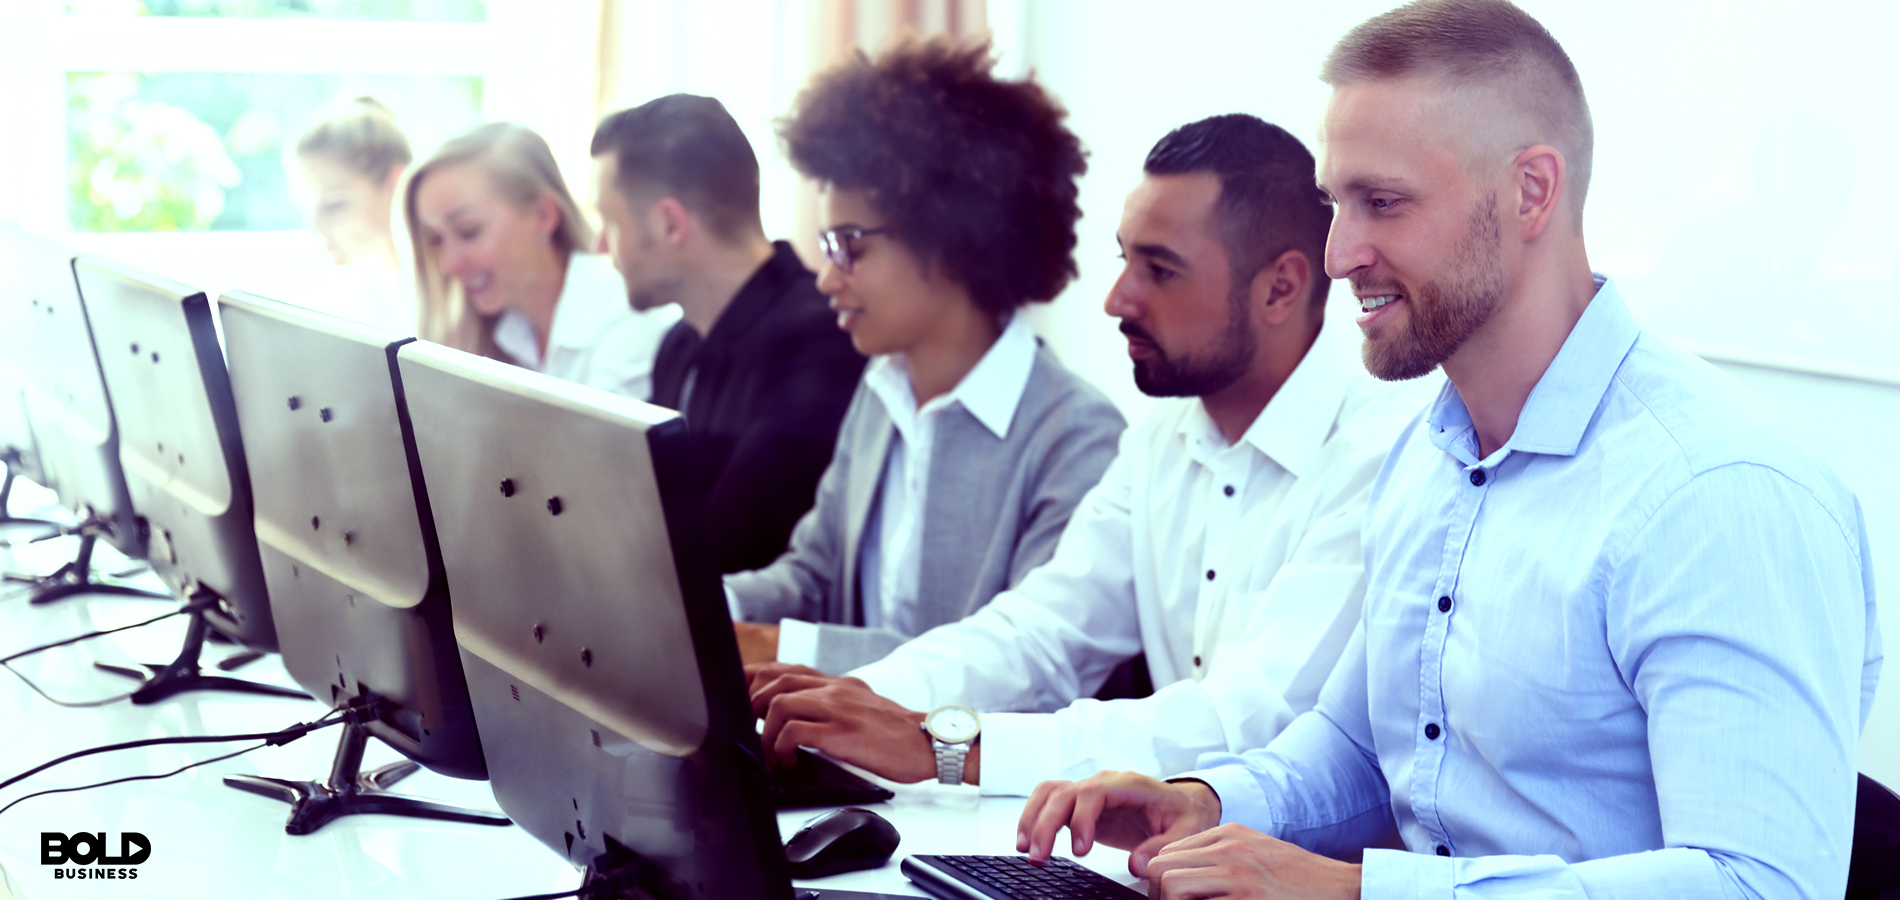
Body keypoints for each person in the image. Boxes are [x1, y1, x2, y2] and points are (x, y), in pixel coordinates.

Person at [1015, 3, 1882, 899]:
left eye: (1382, 203)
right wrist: (1206, 800)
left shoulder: (1719, 493)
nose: (1339, 254)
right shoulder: (1428, 456)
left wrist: (1356, 892)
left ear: (1531, 192)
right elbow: (1356, 749)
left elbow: (1761, 884)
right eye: (1333, 204)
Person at [746, 114, 1432, 793]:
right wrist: (840, 707)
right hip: (1165, 855)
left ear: (1280, 288)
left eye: (1159, 270)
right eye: (1123, 259)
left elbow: (1246, 723)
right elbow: (1040, 634)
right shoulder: (1159, 442)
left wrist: (947, 744)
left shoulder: (1380, 458)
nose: (1115, 299)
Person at [714, 41, 1125, 675]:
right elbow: (814, 575)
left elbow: (1012, 668)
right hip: (837, 754)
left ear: (953, 241)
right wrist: (706, 605)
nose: (826, 276)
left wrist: (777, 648)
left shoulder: (1075, 438)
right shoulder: (881, 388)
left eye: (849, 245)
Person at [589, 95, 863, 574]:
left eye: (609, 223)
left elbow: (723, 552)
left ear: (669, 223)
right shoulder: (677, 345)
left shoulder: (822, 343)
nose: (600, 246)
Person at [409, 122, 679, 399]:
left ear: (544, 215)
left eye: (469, 231)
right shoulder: (495, 329)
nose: (449, 264)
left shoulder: (627, 316)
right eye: (436, 240)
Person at [287, 96, 414, 333]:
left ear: (396, 184)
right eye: (308, 205)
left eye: (334, 205)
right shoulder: (365, 286)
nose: (315, 229)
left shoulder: (452, 296)